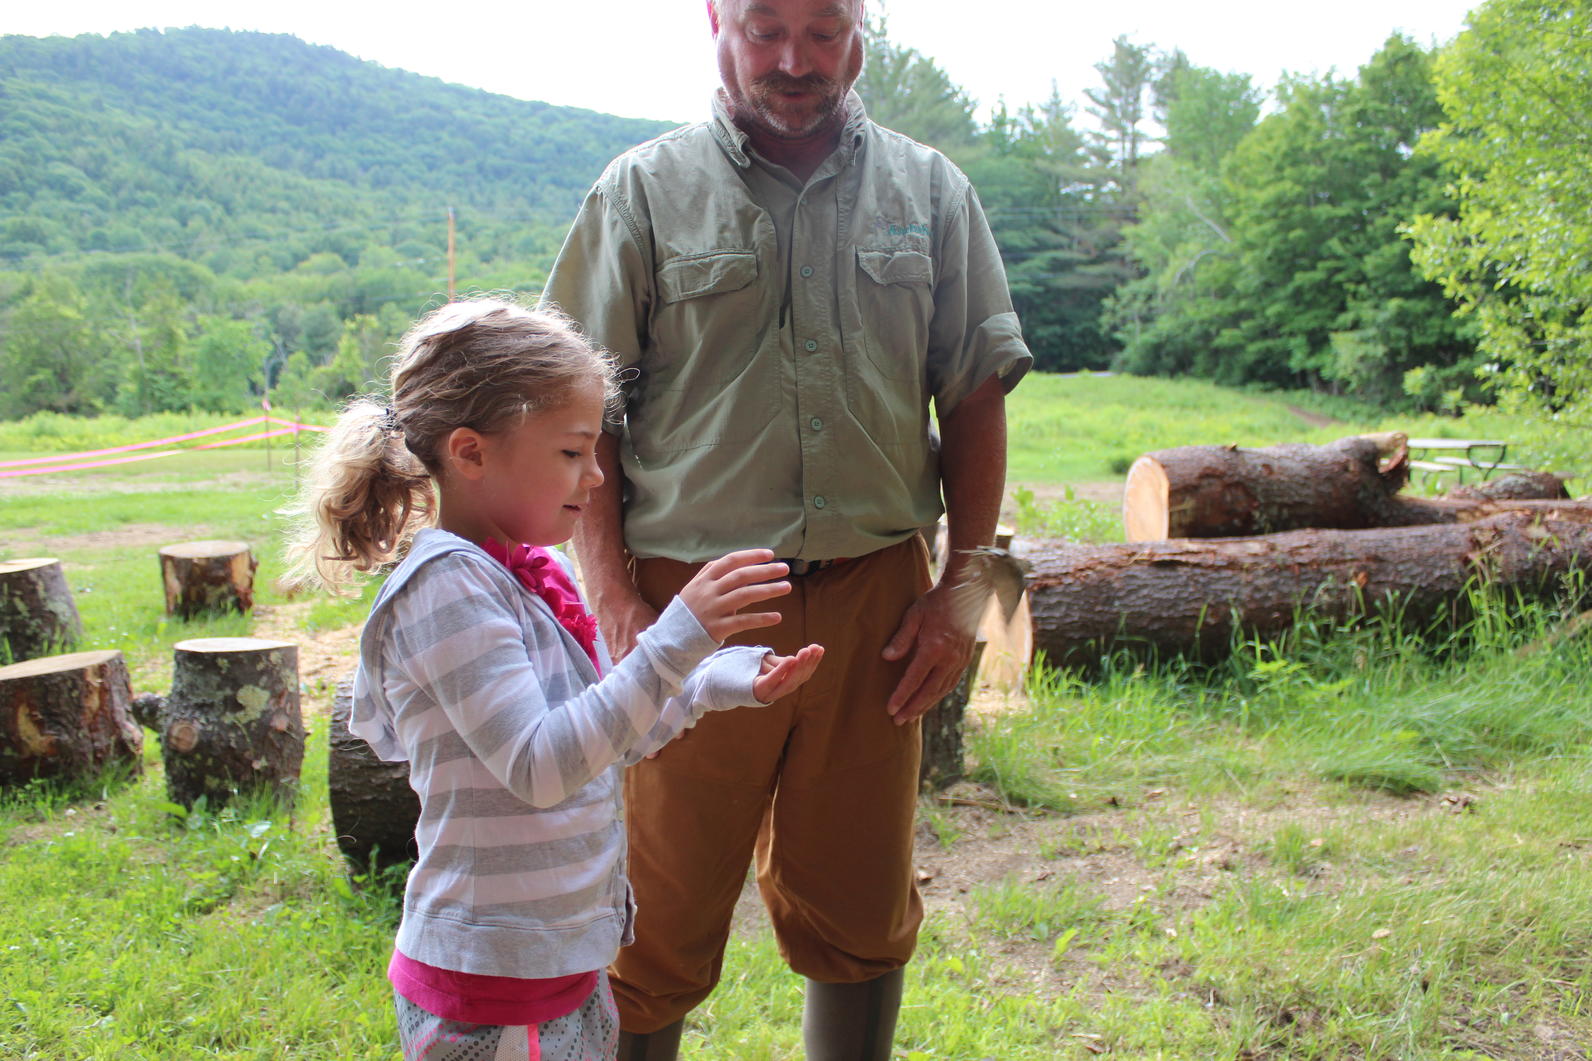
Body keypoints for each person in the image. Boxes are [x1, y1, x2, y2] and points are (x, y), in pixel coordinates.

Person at [541, 0, 1033, 1056]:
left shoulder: (929, 190)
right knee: (652, 913)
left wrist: (970, 594)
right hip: (690, 607)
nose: (793, 60)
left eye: (824, 29)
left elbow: (979, 392)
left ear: (864, 26)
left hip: (880, 601)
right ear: (714, 18)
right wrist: (616, 601)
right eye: (765, 29)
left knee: (862, 907)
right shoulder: (640, 191)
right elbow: (580, 415)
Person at [283, 297, 824, 1061]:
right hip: (490, 982)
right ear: (470, 452)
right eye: (572, 452)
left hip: (557, 960)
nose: (598, 476)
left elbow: (601, 737)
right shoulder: (446, 589)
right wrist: (676, 639)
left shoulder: (524, 573)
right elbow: (541, 767)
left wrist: (708, 680)